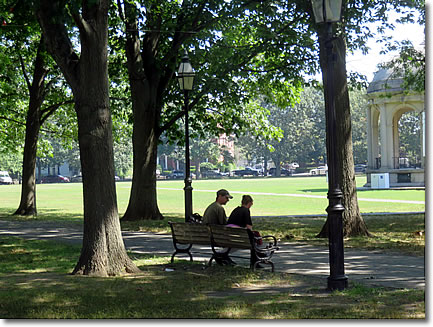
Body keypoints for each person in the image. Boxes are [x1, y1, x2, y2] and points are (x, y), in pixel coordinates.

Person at [227, 195, 264, 269]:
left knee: (252, 238)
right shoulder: (246, 211)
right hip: (241, 238)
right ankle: (255, 260)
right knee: (254, 238)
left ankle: (259, 255)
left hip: (230, 236)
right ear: (249, 203)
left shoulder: (236, 210)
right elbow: (249, 227)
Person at [202, 189, 235, 265]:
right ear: (220, 196)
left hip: (207, 235)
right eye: (226, 198)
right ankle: (222, 255)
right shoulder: (219, 208)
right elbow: (223, 224)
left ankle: (223, 256)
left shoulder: (211, 206)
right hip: (215, 236)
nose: (227, 200)